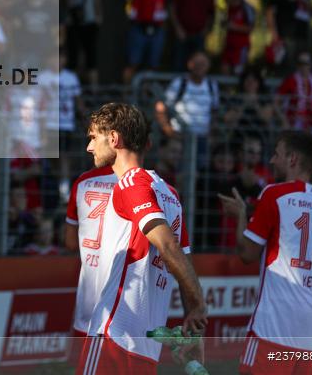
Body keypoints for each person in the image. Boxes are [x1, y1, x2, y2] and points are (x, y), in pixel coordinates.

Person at [79, 102, 207, 375]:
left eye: (93, 137)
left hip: (115, 335)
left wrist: (198, 304)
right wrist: (194, 326)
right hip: (145, 348)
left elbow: (168, 246)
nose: (89, 147)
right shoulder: (169, 192)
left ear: (113, 138)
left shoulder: (130, 183)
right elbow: (181, 260)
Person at [219, 131, 312, 375]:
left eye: (277, 154)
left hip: (276, 321)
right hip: (311, 327)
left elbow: (248, 253)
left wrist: (240, 215)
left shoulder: (274, 194)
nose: (271, 161)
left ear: (292, 159)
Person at [64, 164, 116, 354]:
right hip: (123, 294)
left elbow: (70, 242)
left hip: (90, 293)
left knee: (86, 362)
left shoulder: (83, 181)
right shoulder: (145, 184)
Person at [62, 0, 102, 84]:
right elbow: (67, 0)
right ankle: (72, 88)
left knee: (91, 58)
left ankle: (93, 93)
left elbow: (97, 1)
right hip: (73, 22)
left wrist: (98, 17)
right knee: (73, 57)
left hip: (89, 22)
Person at [267, 0, 312, 72]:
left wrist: (308, 6)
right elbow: (270, 12)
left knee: (302, 66)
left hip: (302, 36)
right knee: (287, 66)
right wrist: (274, 34)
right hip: (285, 35)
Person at [170, 0, 215, 70]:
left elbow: (211, 15)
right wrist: (178, 28)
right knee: (178, 62)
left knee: (197, 63)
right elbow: (172, 8)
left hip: (199, 35)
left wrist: (206, 30)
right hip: (182, 34)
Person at [275, 52, 312, 135]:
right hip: (293, 124)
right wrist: (284, 120)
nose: (303, 66)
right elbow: (275, 102)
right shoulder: (290, 81)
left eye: (306, 63)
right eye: (300, 63)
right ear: (297, 65)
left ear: (310, 65)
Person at [220, 0, 256, 75]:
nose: (226, 1)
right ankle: (227, 89)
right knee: (224, 69)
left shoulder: (246, 8)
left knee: (239, 72)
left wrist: (234, 27)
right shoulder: (230, 8)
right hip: (229, 44)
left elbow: (251, 28)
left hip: (241, 46)